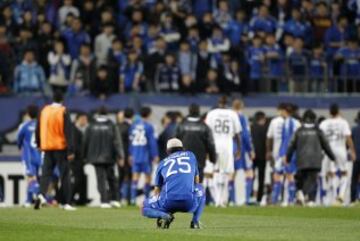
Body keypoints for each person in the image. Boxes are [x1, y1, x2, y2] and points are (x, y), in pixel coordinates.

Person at [142, 138, 205, 229]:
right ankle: (195, 222)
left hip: (168, 202)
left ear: (168, 151)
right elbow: (197, 180)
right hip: (189, 203)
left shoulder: (162, 163)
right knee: (201, 188)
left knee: (143, 207)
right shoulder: (191, 155)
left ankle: (164, 215)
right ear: (182, 148)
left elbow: (157, 191)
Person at [34, 91, 75, 211]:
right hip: (60, 148)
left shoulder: (44, 110)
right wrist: (71, 150)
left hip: (47, 147)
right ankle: (66, 203)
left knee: (45, 174)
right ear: (62, 100)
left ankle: (41, 194)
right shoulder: (63, 111)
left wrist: (38, 143)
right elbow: (68, 131)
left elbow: (38, 128)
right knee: (65, 175)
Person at [287, 109, 335, 206]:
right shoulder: (318, 131)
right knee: (312, 179)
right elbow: (326, 145)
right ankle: (304, 195)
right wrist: (332, 157)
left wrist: (288, 157)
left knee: (302, 179)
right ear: (314, 119)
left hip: (301, 160)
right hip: (315, 160)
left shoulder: (298, 131)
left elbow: (291, 145)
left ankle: (302, 195)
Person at [84, 107, 123, 208]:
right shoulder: (112, 125)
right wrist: (120, 155)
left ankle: (104, 201)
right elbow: (117, 142)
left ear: (98, 113)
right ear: (107, 114)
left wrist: (84, 156)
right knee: (112, 178)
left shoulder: (91, 125)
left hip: (95, 157)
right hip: (110, 157)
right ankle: (115, 199)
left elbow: (85, 141)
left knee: (100, 179)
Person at [205, 96, 241, 207]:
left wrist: (207, 148)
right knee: (224, 172)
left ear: (218, 102)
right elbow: (238, 134)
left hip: (214, 145)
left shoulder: (212, 113)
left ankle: (217, 200)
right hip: (227, 145)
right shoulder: (233, 114)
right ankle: (221, 199)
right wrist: (239, 149)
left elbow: (207, 132)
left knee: (215, 171)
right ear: (227, 103)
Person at [320, 104, 356, 205]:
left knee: (331, 173)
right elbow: (348, 138)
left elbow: (320, 137)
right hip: (340, 150)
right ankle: (341, 195)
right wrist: (352, 151)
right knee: (344, 172)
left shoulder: (324, 123)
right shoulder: (343, 122)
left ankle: (333, 196)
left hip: (328, 150)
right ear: (338, 111)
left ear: (329, 112)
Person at [266, 103, 300, 206]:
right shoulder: (297, 123)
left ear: (285, 111)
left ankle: (283, 200)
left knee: (282, 175)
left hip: (285, 153)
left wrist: (285, 154)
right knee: (285, 175)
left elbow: (288, 140)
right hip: (292, 153)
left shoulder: (288, 122)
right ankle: (287, 200)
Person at [176, 103, 216, 182]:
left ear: (189, 111)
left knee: (184, 181)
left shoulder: (181, 125)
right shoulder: (204, 126)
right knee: (198, 182)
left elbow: (175, 142)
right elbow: (210, 144)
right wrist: (212, 158)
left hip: (183, 160)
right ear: (198, 111)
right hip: (199, 160)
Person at [129, 107, 159, 205]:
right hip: (145, 155)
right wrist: (155, 155)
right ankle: (146, 200)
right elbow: (152, 142)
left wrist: (130, 154)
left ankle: (133, 199)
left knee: (135, 177)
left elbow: (131, 141)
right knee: (148, 177)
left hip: (135, 154)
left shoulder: (133, 126)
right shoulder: (149, 126)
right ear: (149, 114)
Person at [231, 99, 255, 205]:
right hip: (242, 148)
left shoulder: (229, 117)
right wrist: (250, 150)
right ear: (242, 106)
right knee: (249, 172)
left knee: (232, 173)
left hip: (230, 147)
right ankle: (246, 199)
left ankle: (231, 200)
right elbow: (245, 135)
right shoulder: (242, 117)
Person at [17, 105, 41, 207]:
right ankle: (28, 201)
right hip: (40, 156)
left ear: (28, 114)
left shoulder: (24, 126)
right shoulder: (42, 125)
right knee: (34, 178)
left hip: (28, 157)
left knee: (31, 178)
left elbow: (19, 141)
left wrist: (20, 147)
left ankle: (39, 195)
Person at [116, 108, 134, 205]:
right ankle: (128, 199)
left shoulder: (118, 127)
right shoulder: (131, 127)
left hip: (120, 157)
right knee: (129, 177)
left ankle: (118, 198)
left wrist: (119, 157)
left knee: (121, 177)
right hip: (129, 156)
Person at [251, 111, 268, 203]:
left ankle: (249, 196)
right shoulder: (266, 128)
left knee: (251, 176)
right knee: (261, 178)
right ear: (263, 119)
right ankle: (259, 198)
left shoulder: (252, 127)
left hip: (253, 156)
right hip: (263, 156)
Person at [71, 113, 88, 205]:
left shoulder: (79, 130)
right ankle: (69, 198)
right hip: (75, 160)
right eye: (84, 119)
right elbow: (75, 146)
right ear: (79, 119)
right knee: (76, 180)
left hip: (79, 160)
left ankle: (82, 199)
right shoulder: (74, 130)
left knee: (81, 179)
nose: (86, 121)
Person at [351, 111, 360, 204]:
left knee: (354, 179)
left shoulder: (354, 129)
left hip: (356, 157)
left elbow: (349, 143)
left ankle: (352, 200)